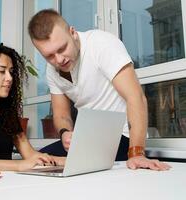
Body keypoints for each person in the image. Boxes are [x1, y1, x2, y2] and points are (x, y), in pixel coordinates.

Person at [28, 9, 170, 170]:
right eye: (49, 56)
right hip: (89, 140)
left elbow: (135, 97)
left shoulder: (101, 44)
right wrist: (65, 133)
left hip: (122, 138)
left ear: (72, 33)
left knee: (52, 163)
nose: (59, 59)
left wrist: (137, 153)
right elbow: (61, 114)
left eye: (62, 48)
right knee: (36, 161)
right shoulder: (51, 70)